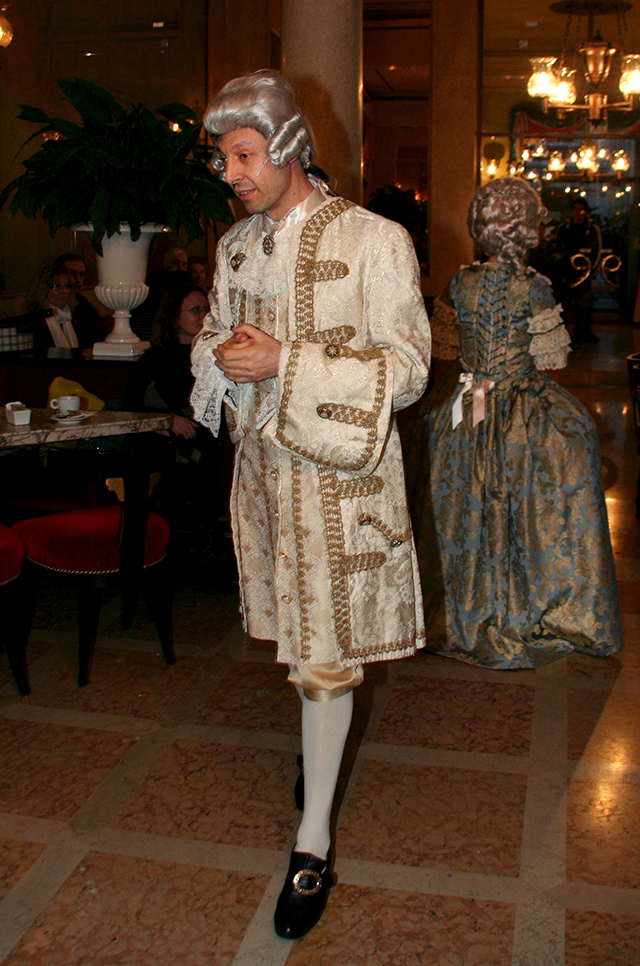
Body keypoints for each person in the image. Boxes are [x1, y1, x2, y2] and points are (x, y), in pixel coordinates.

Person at [190, 69, 430, 940]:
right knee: (299, 652)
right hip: (269, 482)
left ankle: (313, 842)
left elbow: (409, 369)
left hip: (340, 487)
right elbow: (215, 336)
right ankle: (317, 758)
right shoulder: (236, 247)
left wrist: (286, 361)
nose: (231, 175)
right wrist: (221, 354)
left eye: (244, 155)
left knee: (326, 661)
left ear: (289, 145)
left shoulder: (375, 240)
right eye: (222, 159)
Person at [408, 177, 622, 671]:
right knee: (569, 447)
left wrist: (479, 378)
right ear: (525, 231)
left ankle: (458, 608)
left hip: (466, 404)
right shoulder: (534, 288)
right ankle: (532, 601)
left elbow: (447, 349)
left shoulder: (459, 282)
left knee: (461, 496)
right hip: (519, 409)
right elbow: (550, 360)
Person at [124, 276, 223, 560]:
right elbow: (129, 409)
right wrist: (166, 422)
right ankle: (201, 540)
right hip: (156, 440)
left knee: (184, 464)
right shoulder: (152, 360)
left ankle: (188, 543)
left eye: (206, 309)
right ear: (173, 316)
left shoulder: (215, 358)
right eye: (195, 310)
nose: (203, 315)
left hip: (203, 441)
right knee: (171, 466)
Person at [25, 263, 105, 352]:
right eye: (56, 286)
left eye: (67, 286)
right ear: (43, 290)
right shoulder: (36, 322)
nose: (64, 291)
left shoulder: (73, 315)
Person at [554, 197, 601, 345]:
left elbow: (597, 250)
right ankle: (562, 336)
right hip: (567, 273)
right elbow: (558, 249)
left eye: (581, 209)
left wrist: (590, 271)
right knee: (563, 305)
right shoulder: (564, 228)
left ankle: (580, 335)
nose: (578, 213)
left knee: (583, 306)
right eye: (575, 209)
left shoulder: (591, 229)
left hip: (584, 273)